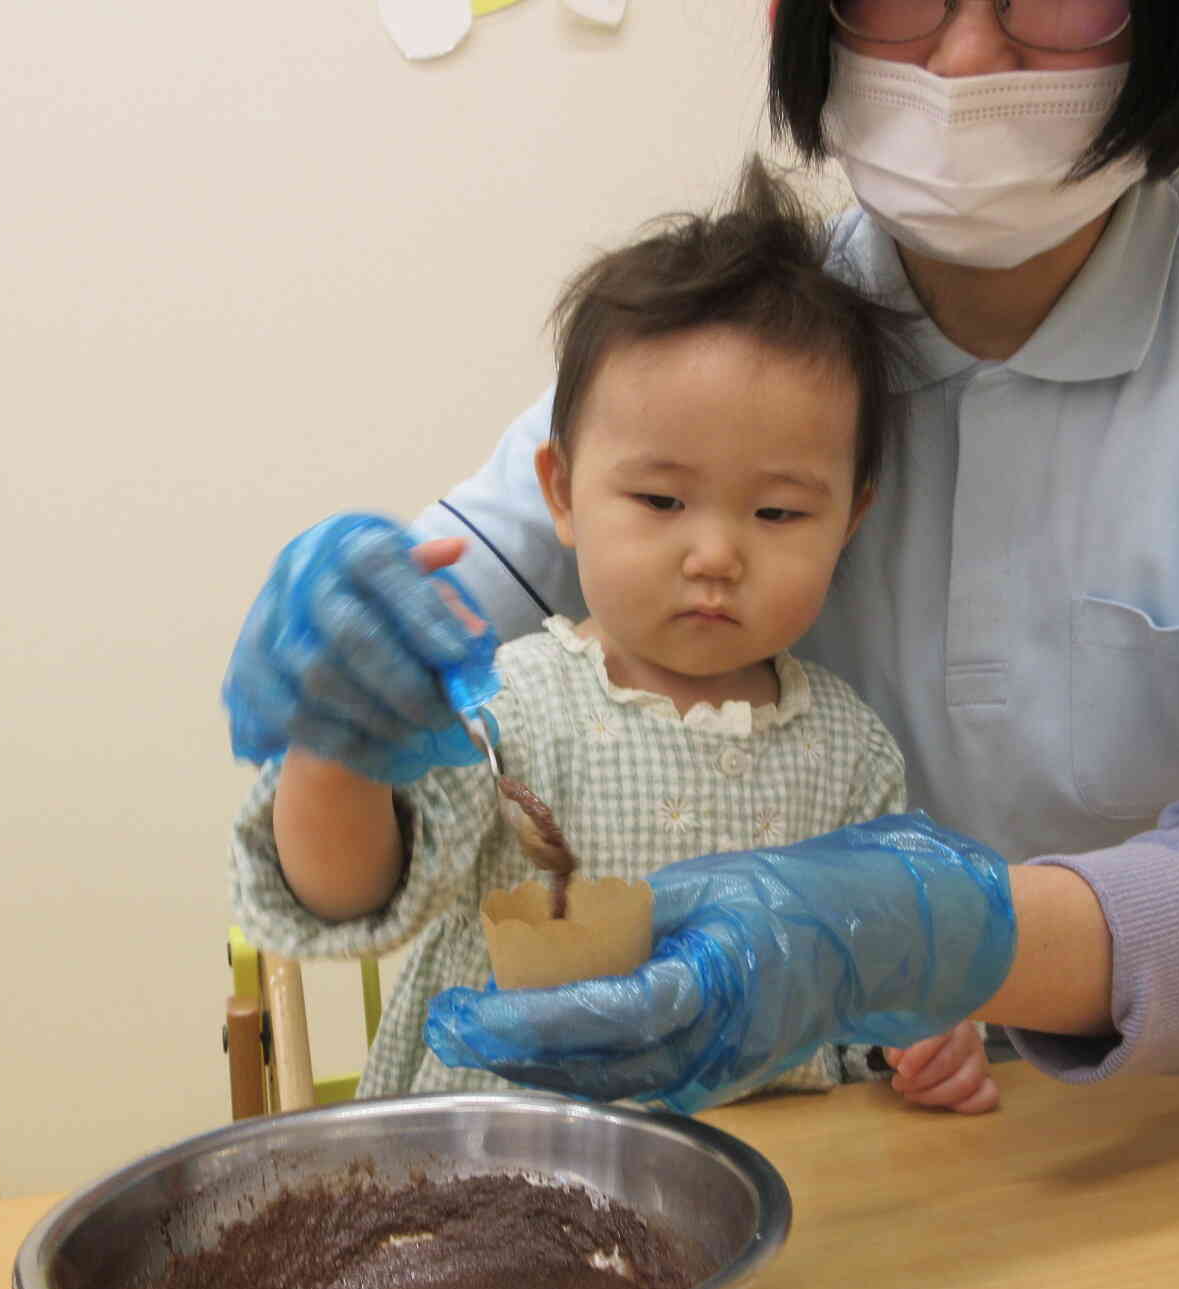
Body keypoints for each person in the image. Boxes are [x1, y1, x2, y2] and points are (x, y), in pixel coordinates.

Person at [229, 0, 1179, 1111]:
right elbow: (428, 640)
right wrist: (348, 663)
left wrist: (932, 949)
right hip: (796, 1139)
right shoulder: (720, 336)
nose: (966, 51)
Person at [228, 161, 1010, 1110]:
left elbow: (878, 980)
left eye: (776, 512)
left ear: (850, 521)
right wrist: (336, 745)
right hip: (504, 1163)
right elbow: (345, 889)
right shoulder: (505, 704)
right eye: (661, 499)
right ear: (560, 492)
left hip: (786, 1185)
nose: (715, 553)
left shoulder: (853, 752)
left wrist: (926, 1039)